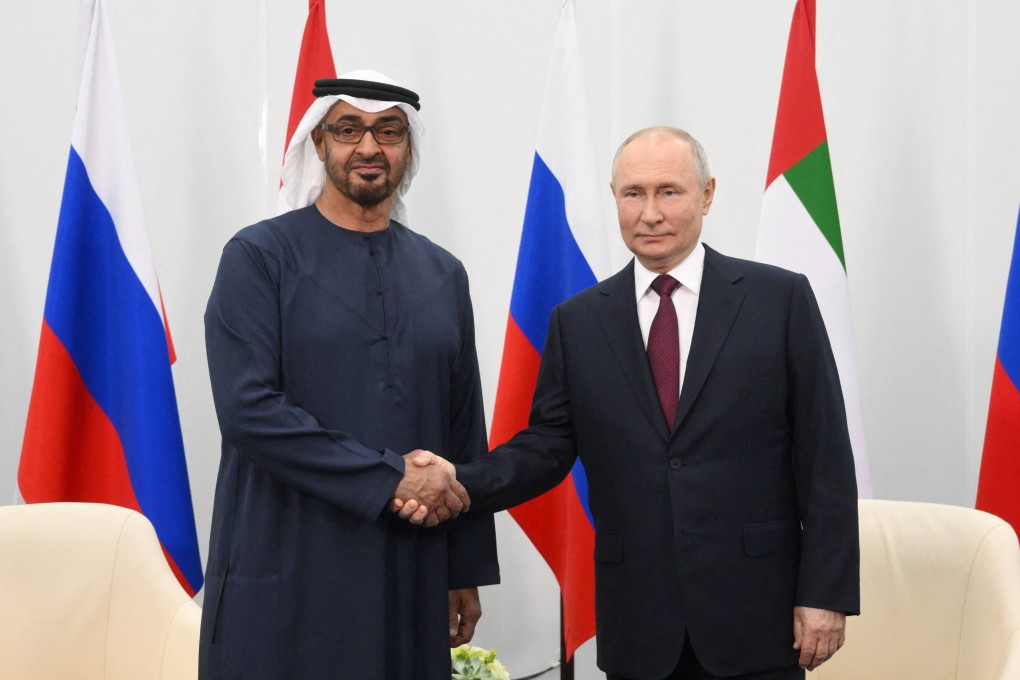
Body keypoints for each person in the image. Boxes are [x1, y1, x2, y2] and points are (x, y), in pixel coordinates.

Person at [402, 126, 860, 679]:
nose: (650, 213)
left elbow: (825, 458)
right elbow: (545, 448)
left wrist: (825, 594)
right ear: (614, 197)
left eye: (669, 191)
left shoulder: (779, 300)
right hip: (640, 623)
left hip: (756, 618)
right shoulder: (577, 321)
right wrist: (458, 480)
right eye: (633, 193)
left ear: (707, 194)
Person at [200, 70, 499, 680]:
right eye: (348, 129)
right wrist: (390, 478)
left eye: (388, 131)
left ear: (408, 147)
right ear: (319, 142)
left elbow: (463, 429)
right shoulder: (258, 257)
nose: (368, 147)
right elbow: (248, 410)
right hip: (288, 559)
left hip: (410, 566)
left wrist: (463, 567)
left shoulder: (443, 273)